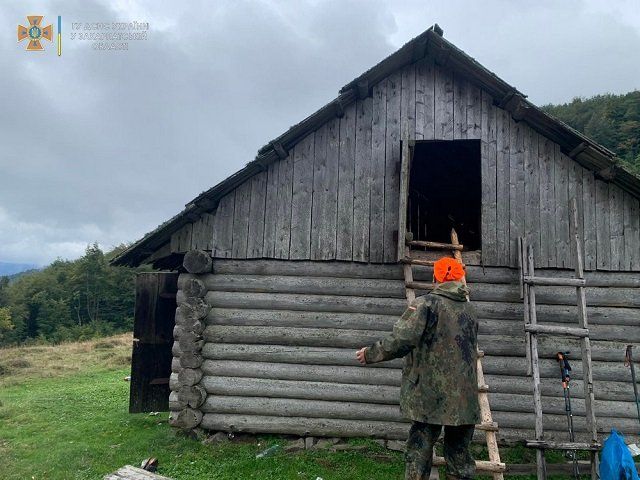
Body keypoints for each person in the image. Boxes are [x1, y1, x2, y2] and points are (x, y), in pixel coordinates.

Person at [356, 257, 479, 480]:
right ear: (461, 277)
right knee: (460, 461)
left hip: (429, 396)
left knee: (419, 454)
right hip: (464, 399)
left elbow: (402, 339)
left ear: (437, 277)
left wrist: (370, 353)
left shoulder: (426, 305)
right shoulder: (470, 311)